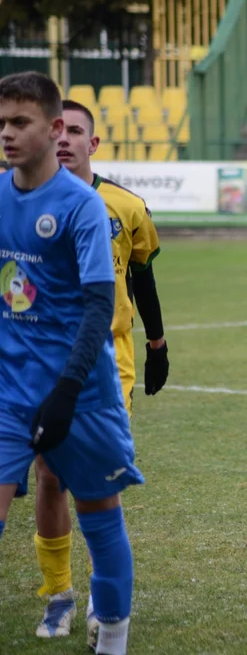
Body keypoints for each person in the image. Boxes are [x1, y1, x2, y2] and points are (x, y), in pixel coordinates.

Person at [0, 71, 143, 654]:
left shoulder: (82, 206)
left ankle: (111, 641)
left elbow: (97, 306)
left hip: (80, 392)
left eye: (20, 122)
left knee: (100, 518)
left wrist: (66, 390)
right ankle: (57, 592)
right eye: (2, 121)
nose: (6, 133)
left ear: (54, 127)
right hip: (10, 389)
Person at [31, 99, 169, 646]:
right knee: (48, 476)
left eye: (76, 132)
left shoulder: (125, 205)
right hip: (40, 353)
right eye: (56, 131)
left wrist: (157, 343)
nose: (63, 140)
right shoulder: (20, 201)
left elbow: (144, 278)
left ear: (94, 144)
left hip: (110, 359)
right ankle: (58, 594)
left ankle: (102, 603)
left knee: (94, 479)